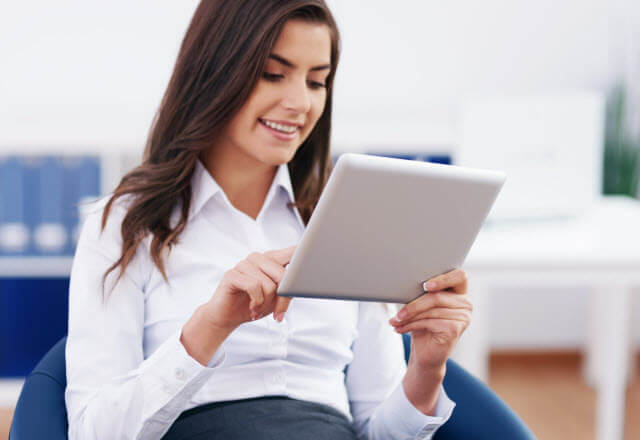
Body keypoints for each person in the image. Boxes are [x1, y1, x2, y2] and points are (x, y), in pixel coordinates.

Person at [64, 1, 473, 439]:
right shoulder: (127, 225)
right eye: (272, 74)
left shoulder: (349, 223)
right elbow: (93, 433)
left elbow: (380, 433)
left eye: (317, 81)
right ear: (214, 73)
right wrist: (212, 325)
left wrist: (427, 367)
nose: (300, 103)